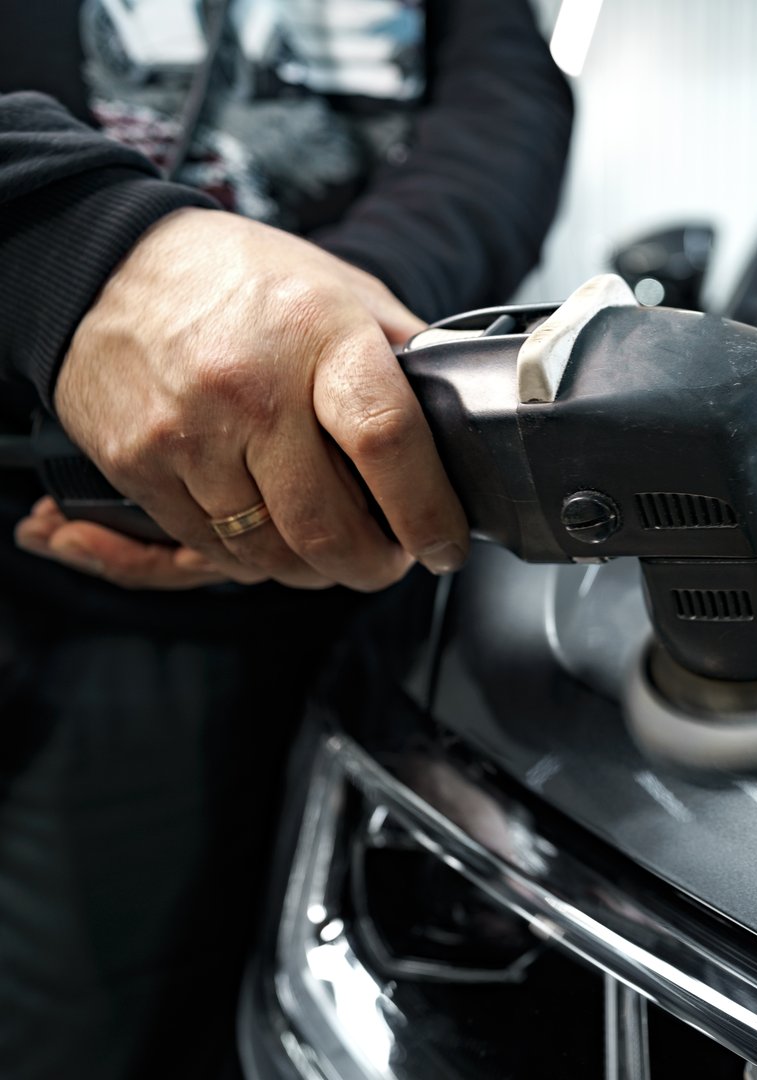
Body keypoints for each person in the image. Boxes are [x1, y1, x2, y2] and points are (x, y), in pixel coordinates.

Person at [0, 2, 573, 1076]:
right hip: (74, 591)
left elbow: (509, 102)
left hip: (400, 574)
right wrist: (72, 248)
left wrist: (312, 337)